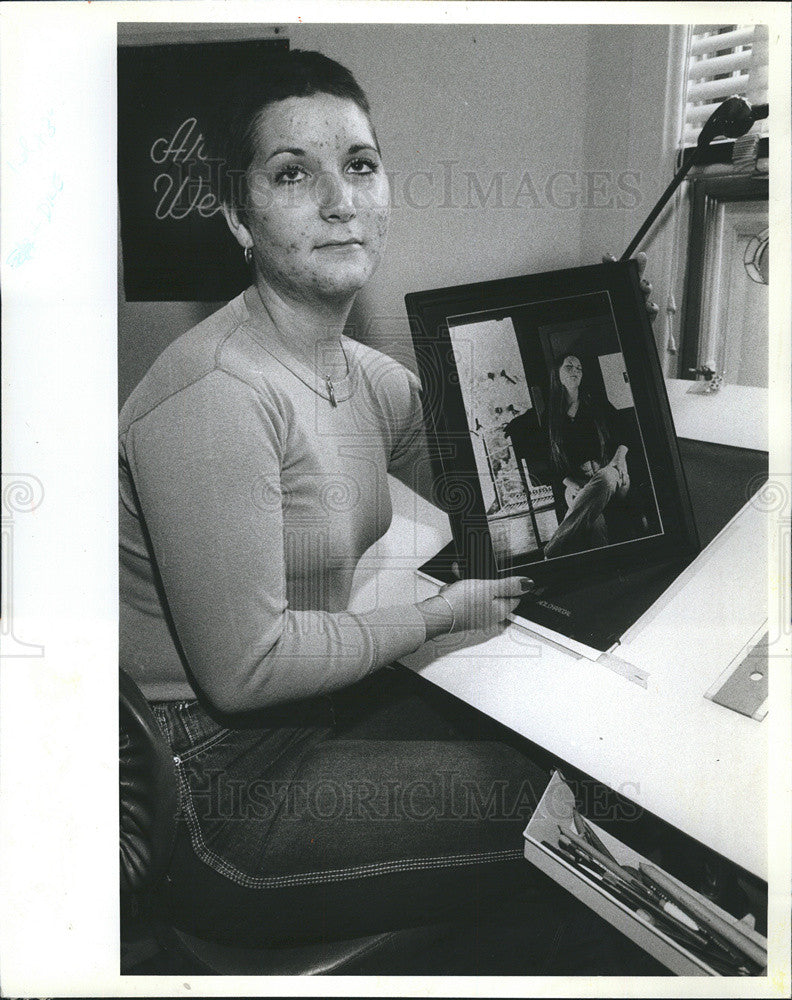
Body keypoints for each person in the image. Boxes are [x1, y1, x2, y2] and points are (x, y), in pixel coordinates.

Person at [119, 49, 662, 971]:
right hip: (205, 790)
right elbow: (244, 670)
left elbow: (492, 499)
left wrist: (615, 365)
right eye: (293, 174)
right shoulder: (215, 392)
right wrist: (433, 616)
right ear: (238, 221)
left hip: (307, 719)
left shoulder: (365, 377)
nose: (340, 200)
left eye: (360, 165)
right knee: (560, 811)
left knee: (589, 761)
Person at [543, 353, 631, 558]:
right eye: (569, 367)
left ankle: (554, 547)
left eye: (579, 368)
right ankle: (604, 568)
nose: (576, 371)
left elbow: (626, 431)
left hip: (610, 473)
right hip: (577, 482)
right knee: (595, 523)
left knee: (606, 477)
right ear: (557, 374)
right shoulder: (551, 415)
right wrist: (570, 484)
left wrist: (619, 459)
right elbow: (550, 461)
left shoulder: (596, 402)